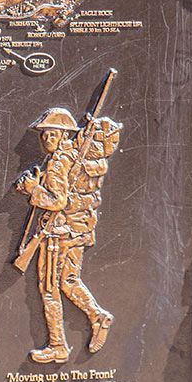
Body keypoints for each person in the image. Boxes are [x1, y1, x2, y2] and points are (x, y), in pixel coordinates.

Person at [14, 107, 117, 364]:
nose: (46, 140)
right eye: (43, 135)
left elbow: (57, 200)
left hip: (57, 233)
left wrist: (32, 190)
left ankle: (58, 345)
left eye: (51, 135)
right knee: (69, 281)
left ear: (63, 136)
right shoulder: (75, 157)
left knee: (49, 289)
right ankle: (97, 316)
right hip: (78, 229)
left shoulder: (59, 161)